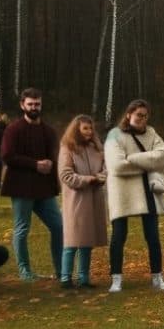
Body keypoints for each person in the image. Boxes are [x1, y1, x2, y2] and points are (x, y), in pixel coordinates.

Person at [104, 98, 164, 293]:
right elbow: (116, 166)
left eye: (145, 116)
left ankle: (157, 278)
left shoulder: (151, 133)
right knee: (119, 236)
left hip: (146, 190)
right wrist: (147, 163)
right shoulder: (114, 135)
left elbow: (163, 157)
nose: (142, 119)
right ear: (129, 115)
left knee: (153, 236)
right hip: (122, 191)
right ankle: (116, 279)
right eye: (138, 115)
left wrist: (131, 159)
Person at [0, 88, 63, 281]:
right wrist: (35, 164)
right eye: (30, 104)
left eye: (37, 104)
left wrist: (53, 166)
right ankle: (25, 271)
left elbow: (56, 155)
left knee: (59, 226)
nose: (34, 107)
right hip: (21, 187)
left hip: (44, 189)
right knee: (21, 229)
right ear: (22, 105)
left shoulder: (49, 131)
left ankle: (62, 270)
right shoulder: (13, 129)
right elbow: (7, 156)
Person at [57, 115, 107, 289]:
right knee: (72, 241)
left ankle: (84, 277)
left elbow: (104, 168)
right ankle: (65, 277)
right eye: (85, 128)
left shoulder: (96, 148)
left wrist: (102, 177)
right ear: (76, 130)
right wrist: (88, 179)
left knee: (87, 241)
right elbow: (66, 175)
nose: (89, 132)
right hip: (76, 200)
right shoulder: (67, 148)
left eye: (91, 128)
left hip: (93, 199)